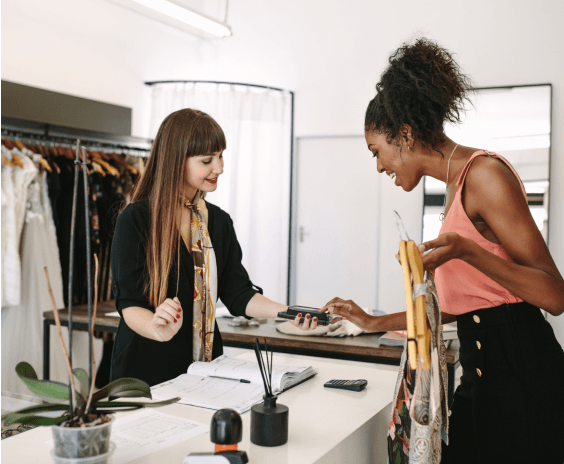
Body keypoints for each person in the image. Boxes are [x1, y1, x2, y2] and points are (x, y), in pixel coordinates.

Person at [322, 38, 564, 464]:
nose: (379, 167)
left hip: (522, 373)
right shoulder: (454, 187)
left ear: (406, 136)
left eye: (377, 152)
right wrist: (372, 321)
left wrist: (468, 252)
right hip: (481, 371)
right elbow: (460, 306)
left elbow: (555, 295)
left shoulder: (485, 175)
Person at [110, 108, 317, 388]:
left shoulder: (218, 222)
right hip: (145, 374)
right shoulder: (136, 219)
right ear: (175, 160)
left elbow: (238, 293)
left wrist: (288, 313)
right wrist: (157, 329)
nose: (219, 168)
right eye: (207, 160)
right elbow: (129, 303)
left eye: (221, 157)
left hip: (206, 372)